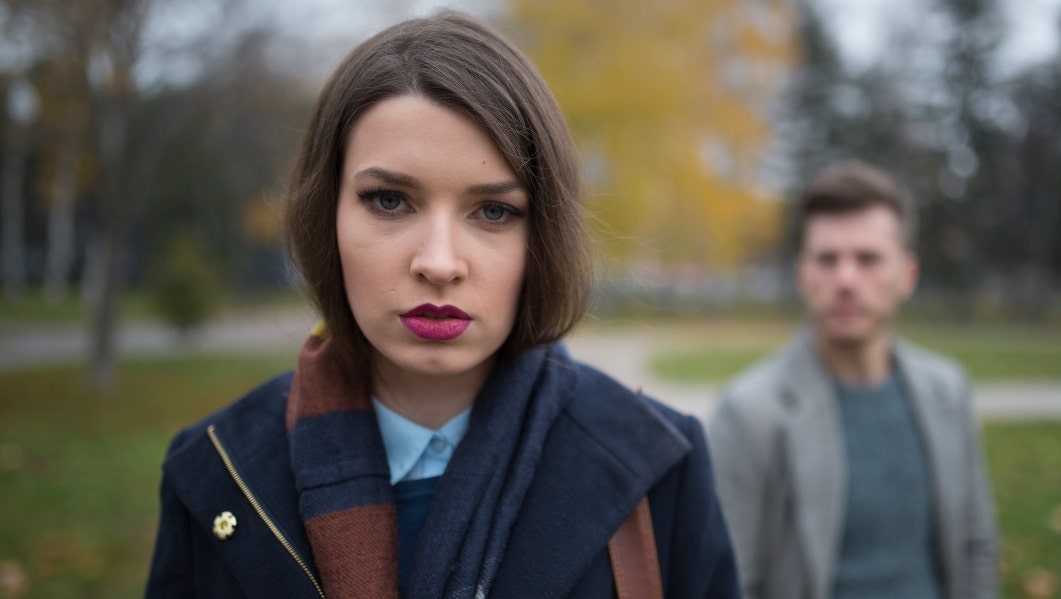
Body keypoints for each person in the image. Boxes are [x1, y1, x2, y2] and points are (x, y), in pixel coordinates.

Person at [145, 12, 738, 598]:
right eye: (389, 201)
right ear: (327, 214)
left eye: (494, 211)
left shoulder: (658, 465)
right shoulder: (217, 471)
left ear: (543, 236)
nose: (439, 262)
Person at [707, 161, 998, 599]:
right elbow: (729, 584)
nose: (845, 279)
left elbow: (976, 546)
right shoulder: (748, 413)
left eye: (868, 258)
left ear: (907, 275)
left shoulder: (948, 391)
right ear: (802, 274)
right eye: (827, 259)